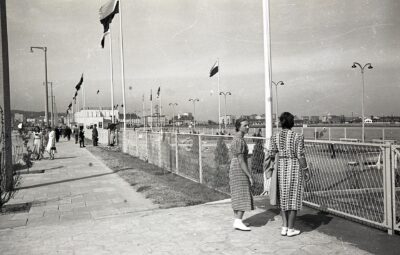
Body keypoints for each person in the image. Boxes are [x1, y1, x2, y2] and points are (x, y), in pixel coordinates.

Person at [267, 112, 308, 237]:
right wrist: (305, 169)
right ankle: (291, 228)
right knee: (294, 199)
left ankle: (284, 227)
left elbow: (271, 153)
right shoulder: (298, 136)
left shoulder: (275, 136)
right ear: (292, 123)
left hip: (281, 167)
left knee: (283, 198)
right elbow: (300, 156)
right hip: (294, 167)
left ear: (281, 122)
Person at [229, 118, 254, 231]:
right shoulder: (239, 140)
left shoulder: (239, 138)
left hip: (236, 167)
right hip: (239, 169)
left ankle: (237, 220)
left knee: (238, 193)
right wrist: (249, 175)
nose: (247, 127)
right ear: (238, 127)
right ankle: (238, 221)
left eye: (248, 125)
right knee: (243, 193)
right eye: (245, 125)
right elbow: (241, 160)